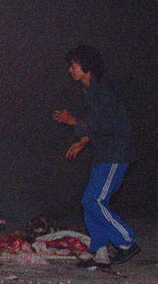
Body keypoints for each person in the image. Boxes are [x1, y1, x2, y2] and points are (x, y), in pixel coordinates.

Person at [53, 44, 139, 268]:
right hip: (103, 152)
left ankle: (127, 241)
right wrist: (82, 142)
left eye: (74, 65)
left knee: (94, 200)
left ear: (87, 66)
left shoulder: (103, 90)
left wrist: (74, 121)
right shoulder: (90, 91)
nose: (70, 70)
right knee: (90, 201)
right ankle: (100, 252)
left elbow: (107, 123)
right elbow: (97, 125)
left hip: (115, 152)